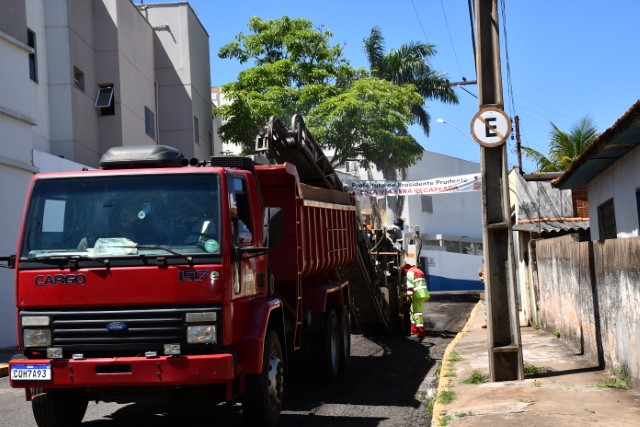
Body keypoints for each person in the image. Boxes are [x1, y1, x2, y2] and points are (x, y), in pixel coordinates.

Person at [402, 264, 430, 337]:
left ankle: (420, 332)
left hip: (417, 294)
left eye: (404, 273)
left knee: (417, 313)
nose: (405, 274)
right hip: (422, 293)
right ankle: (414, 331)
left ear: (405, 270)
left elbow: (410, 285)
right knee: (413, 311)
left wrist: (408, 296)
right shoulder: (417, 270)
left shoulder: (410, 272)